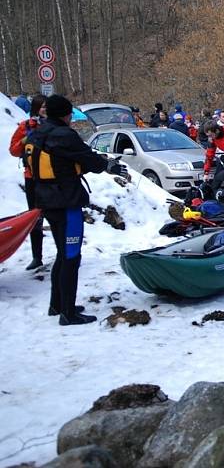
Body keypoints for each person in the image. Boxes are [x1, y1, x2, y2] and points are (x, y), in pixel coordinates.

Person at [24, 95, 128, 325]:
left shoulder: (37, 133)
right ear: (65, 114)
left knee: (62, 254)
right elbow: (87, 158)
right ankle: (68, 314)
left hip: (45, 199)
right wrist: (107, 165)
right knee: (71, 256)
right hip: (66, 200)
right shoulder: (63, 135)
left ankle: (57, 305)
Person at [8, 93, 47, 270]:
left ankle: (64, 252)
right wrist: (25, 140)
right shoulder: (25, 126)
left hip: (51, 179)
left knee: (56, 216)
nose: (45, 110)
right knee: (35, 218)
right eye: (42, 107)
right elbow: (14, 150)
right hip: (32, 178)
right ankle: (37, 256)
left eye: (47, 107)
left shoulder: (54, 126)